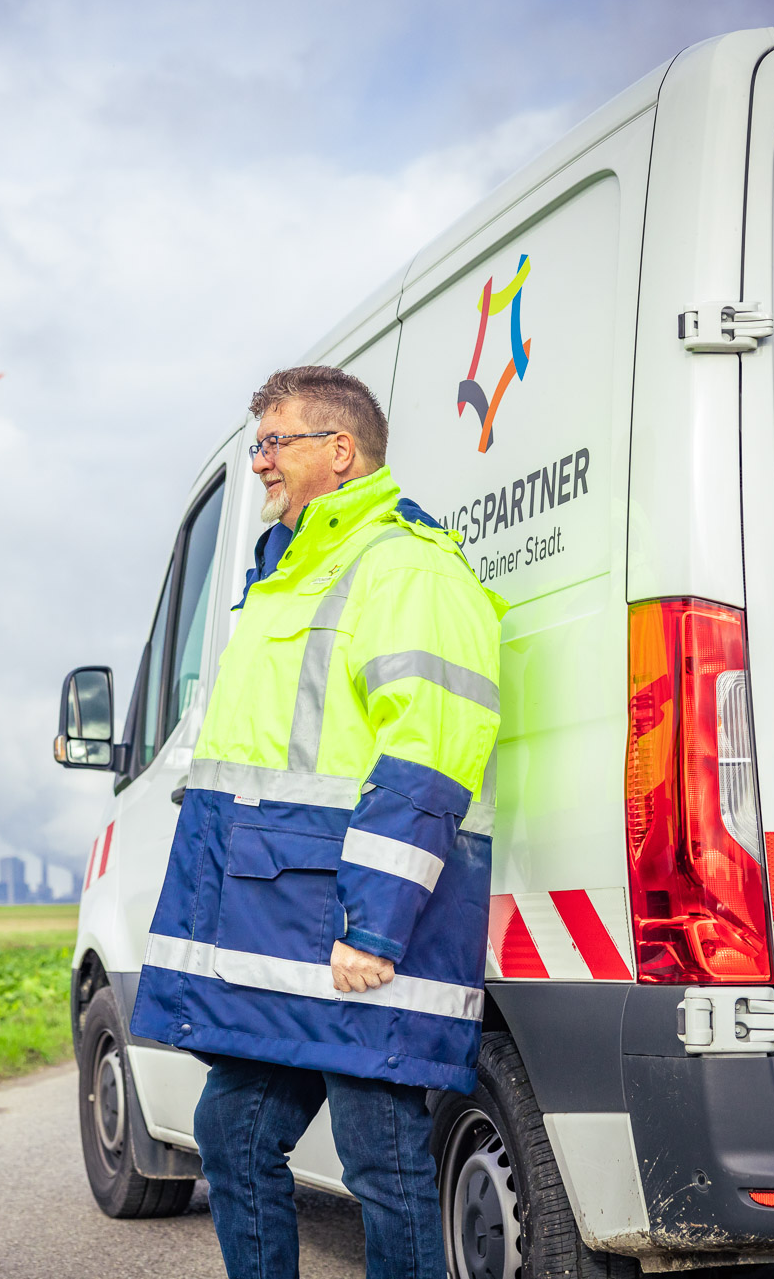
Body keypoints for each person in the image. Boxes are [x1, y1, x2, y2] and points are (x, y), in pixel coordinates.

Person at [131, 365, 506, 1279]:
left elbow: (432, 748)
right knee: (230, 1127)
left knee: (380, 1152)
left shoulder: (406, 565)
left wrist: (374, 920)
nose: (258, 462)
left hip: (349, 921)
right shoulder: (288, 571)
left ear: (339, 452)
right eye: (256, 443)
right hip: (281, 921)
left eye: (274, 442)